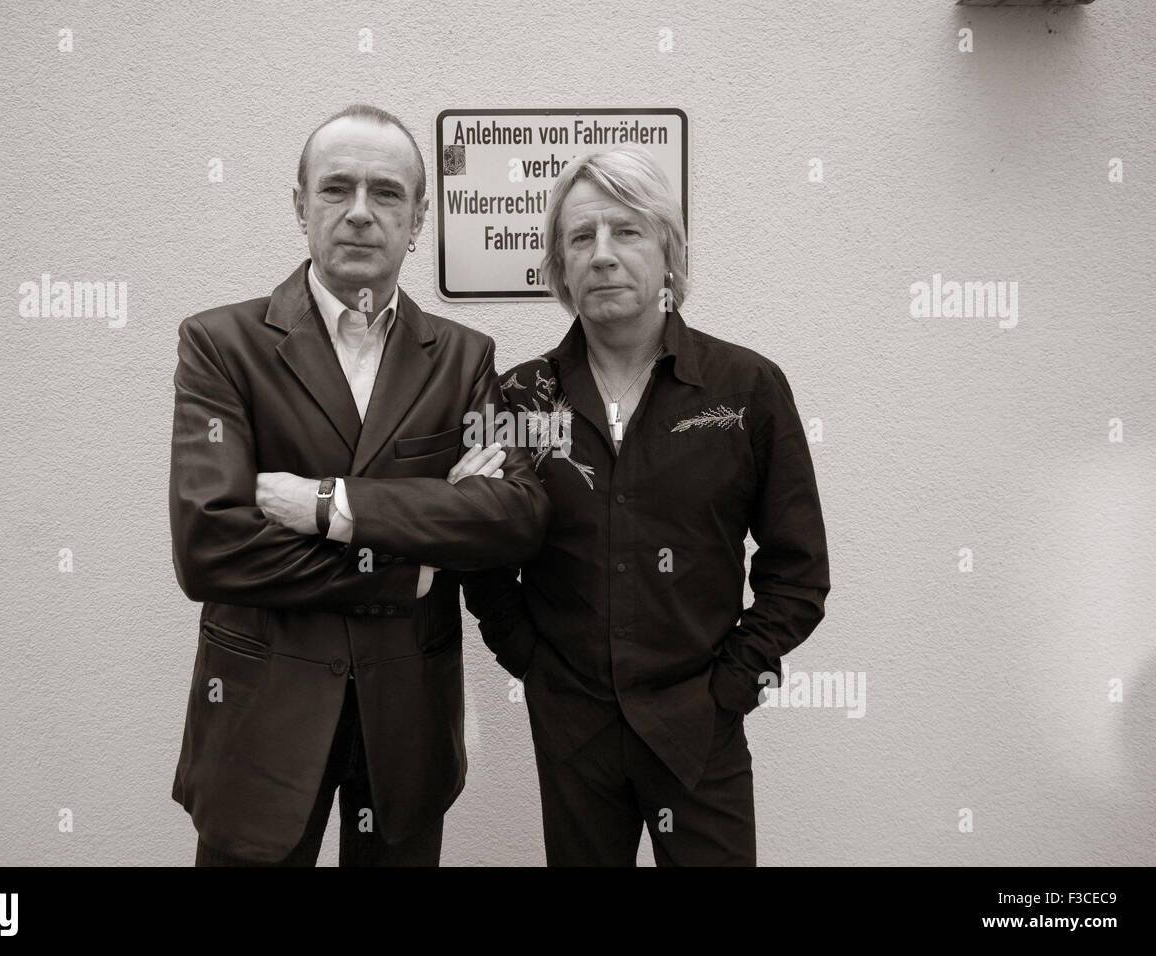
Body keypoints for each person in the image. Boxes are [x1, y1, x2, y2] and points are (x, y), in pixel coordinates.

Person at [169, 103, 549, 866]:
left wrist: (329, 508)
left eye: (386, 193)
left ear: (418, 220)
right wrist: (413, 559)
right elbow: (210, 549)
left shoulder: (465, 358)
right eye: (336, 189)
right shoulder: (221, 346)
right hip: (261, 727)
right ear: (301, 206)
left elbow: (510, 516)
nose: (359, 213)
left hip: (406, 721)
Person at [463, 144, 830, 866]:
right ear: (559, 269)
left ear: (670, 253)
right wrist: (530, 660)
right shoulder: (516, 399)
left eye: (627, 231)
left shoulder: (747, 389)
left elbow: (799, 573)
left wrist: (729, 689)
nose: (603, 255)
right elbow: (479, 554)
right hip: (573, 735)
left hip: (702, 731)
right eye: (580, 237)